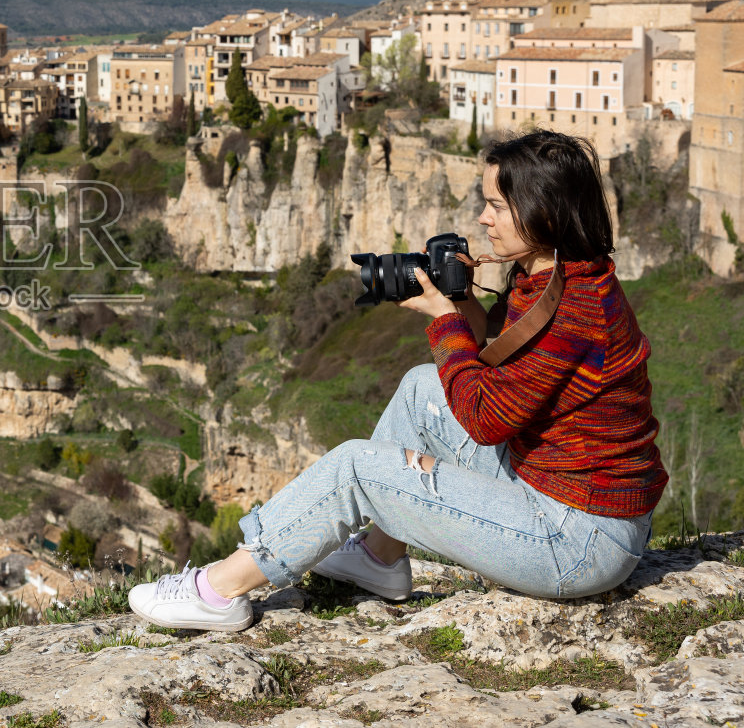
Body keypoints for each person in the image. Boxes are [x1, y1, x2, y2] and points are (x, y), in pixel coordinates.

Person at [130, 130, 667, 631]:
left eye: (497, 206)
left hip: (578, 539)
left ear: (543, 213)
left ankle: (221, 591)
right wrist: (459, 300)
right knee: (421, 390)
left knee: (357, 468)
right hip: (570, 500)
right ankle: (381, 559)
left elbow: (484, 419)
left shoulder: (574, 308)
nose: (483, 219)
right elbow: (500, 358)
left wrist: (445, 321)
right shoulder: (561, 274)